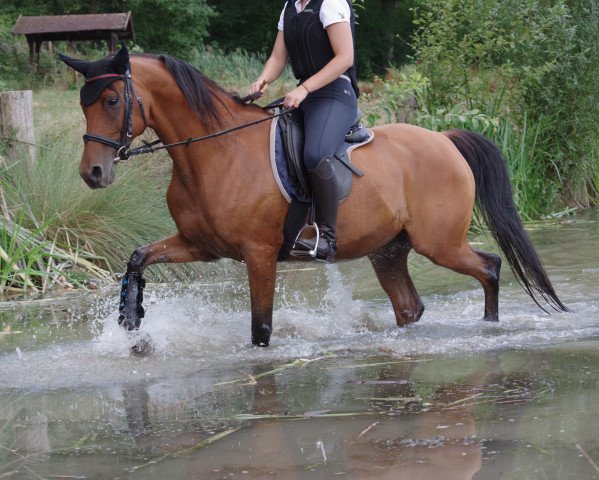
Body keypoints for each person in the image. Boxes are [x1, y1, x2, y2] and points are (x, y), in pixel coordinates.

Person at [250, 0, 359, 263]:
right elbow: (278, 57)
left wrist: (305, 88)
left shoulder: (330, 3)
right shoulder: (289, 7)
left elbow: (345, 57)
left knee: (315, 154)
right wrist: (263, 81)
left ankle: (327, 238)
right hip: (303, 95)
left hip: (335, 93)